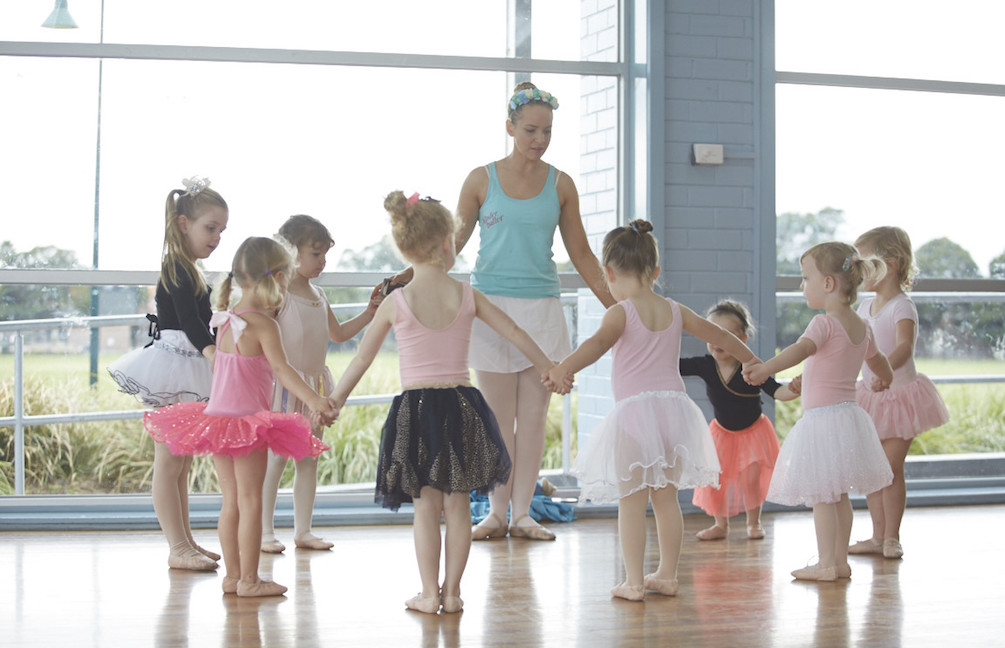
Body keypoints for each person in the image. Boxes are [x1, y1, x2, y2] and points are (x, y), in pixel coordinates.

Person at [330, 191, 557, 614]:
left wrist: (335, 399)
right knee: (457, 506)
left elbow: (361, 358)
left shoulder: (397, 302)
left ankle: (428, 593)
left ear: (405, 247)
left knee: (425, 508)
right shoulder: (466, 294)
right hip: (460, 407)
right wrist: (548, 366)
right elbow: (515, 332)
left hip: (416, 411)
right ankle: (452, 594)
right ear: (447, 244)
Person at [544, 220, 762, 601]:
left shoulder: (620, 313)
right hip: (675, 413)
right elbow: (721, 337)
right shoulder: (674, 310)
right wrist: (752, 361)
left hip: (634, 416)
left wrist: (564, 367)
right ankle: (667, 574)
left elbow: (595, 345)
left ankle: (632, 581)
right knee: (665, 497)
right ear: (655, 271)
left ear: (609, 273)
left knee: (632, 500)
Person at [144, 237, 336, 597]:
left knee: (231, 501)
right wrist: (315, 398)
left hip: (218, 422)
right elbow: (284, 370)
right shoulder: (264, 325)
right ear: (279, 278)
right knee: (250, 501)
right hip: (246, 425)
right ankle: (250, 580)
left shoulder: (227, 321)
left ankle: (233, 577)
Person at [744, 241, 895, 582]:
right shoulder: (862, 327)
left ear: (828, 284)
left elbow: (799, 351)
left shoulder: (823, 325)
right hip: (849, 417)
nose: (802, 285)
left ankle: (827, 562)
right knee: (838, 495)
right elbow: (879, 363)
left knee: (823, 497)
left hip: (823, 421)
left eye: (805, 278)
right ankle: (839, 561)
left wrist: (765, 369)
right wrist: (883, 380)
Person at [108, 176, 229, 571]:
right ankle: (176, 547)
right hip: (173, 364)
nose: (216, 237)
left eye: (221, 231)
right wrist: (212, 351)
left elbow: (202, 320)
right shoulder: (176, 267)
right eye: (210, 228)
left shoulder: (191, 269)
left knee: (182, 461)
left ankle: (187, 541)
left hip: (186, 363)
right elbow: (193, 324)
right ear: (183, 224)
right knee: (169, 459)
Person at [260, 215, 383, 554]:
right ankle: (264, 531)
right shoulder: (278, 293)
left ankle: (304, 530)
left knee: (308, 460)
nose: (322, 262)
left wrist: (370, 312)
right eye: (315, 254)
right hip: (286, 386)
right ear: (291, 251)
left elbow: (338, 333)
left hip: (317, 385)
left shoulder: (318, 292)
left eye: (324, 254)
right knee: (275, 460)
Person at [848, 226, 950, 560]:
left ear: (890, 264)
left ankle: (892, 536)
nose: (858, 272)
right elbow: (856, 348)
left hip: (901, 398)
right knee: (874, 472)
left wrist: (884, 373)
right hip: (870, 398)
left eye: (864, 263)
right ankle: (877, 536)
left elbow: (905, 347)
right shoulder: (864, 308)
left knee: (889, 469)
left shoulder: (902, 307)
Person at [682, 300, 800, 542]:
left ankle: (753, 523)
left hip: (753, 433)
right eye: (712, 333)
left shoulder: (752, 368)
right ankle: (720, 525)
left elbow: (777, 392)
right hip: (721, 433)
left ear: (743, 339)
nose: (718, 341)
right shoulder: (705, 365)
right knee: (716, 481)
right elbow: (673, 365)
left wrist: (797, 389)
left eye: (727, 335)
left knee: (750, 481)